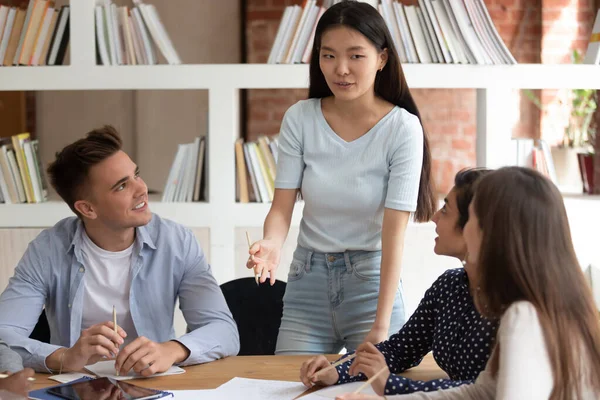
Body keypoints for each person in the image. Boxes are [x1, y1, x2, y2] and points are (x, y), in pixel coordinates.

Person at [247, 0, 436, 354]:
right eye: (329, 55)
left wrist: (382, 324)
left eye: (356, 56)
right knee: (290, 389)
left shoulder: (402, 129)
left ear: (382, 59)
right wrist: (271, 245)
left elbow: (394, 233)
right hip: (308, 281)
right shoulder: (300, 118)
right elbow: (281, 207)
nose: (341, 69)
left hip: (371, 283)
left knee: (375, 390)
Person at [336, 166, 600, 400]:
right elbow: (482, 392)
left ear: (493, 233)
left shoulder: (524, 316)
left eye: (472, 217)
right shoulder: (546, 305)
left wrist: (393, 387)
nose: (436, 218)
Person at [0, 126, 240, 375]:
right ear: (87, 208)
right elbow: (3, 337)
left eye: (136, 175)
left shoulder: (177, 242)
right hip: (76, 388)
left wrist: (172, 350)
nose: (142, 189)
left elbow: (223, 330)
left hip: (155, 385)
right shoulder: (47, 250)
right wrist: (66, 357)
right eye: (122, 186)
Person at [300, 168, 499, 396]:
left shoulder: (511, 305)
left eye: (445, 210)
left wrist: (391, 385)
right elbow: (400, 349)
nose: (434, 217)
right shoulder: (449, 286)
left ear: (474, 226)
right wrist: (338, 371)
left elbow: (481, 390)